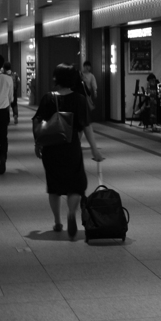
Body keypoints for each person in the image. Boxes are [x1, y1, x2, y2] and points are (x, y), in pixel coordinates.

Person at [33, 63, 105, 239]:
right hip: (72, 148)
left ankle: (57, 222)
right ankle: (71, 213)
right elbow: (87, 127)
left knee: (54, 186)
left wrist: (38, 143)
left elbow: (37, 121)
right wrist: (95, 150)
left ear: (56, 79)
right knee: (76, 185)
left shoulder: (48, 98)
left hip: (51, 149)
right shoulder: (79, 100)